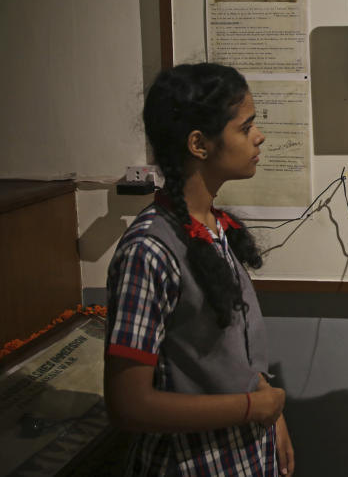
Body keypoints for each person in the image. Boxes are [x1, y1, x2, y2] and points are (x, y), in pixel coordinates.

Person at [104, 63, 294, 476]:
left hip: (242, 456)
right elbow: (128, 404)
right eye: (245, 128)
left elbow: (234, 355)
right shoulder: (149, 251)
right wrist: (253, 407)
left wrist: (271, 416)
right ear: (199, 144)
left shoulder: (213, 229)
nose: (258, 137)